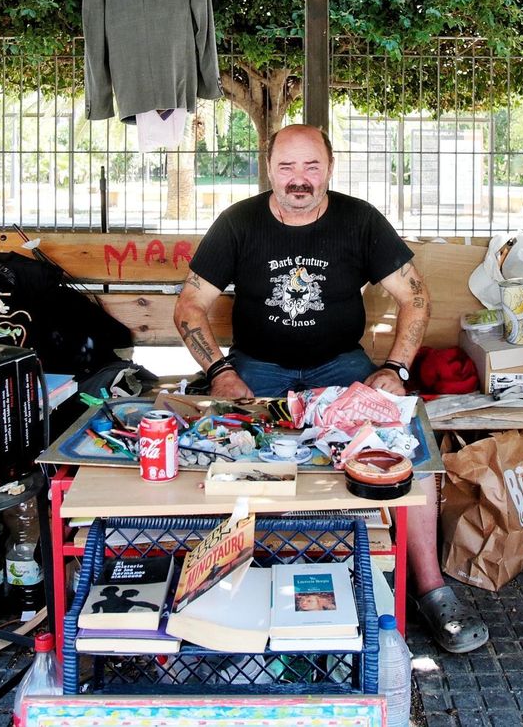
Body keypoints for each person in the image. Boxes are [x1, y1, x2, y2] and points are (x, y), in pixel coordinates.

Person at [173, 123, 489, 654]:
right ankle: (228, 580)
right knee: (225, 446)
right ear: (268, 169)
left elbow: (415, 296)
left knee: (404, 441)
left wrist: (397, 368)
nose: (299, 180)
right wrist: (220, 374)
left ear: (330, 168)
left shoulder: (359, 220)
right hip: (259, 368)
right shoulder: (238, 223)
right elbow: (189, 307)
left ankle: (431, 590)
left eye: (311, 166)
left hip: (340, 365)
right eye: (287, 167)